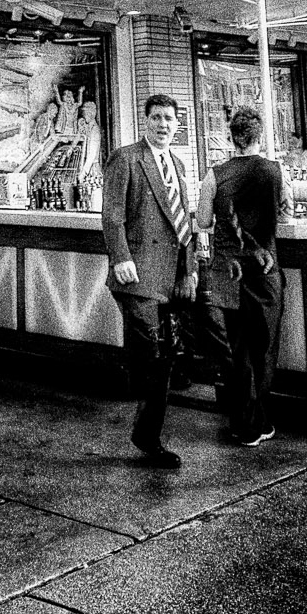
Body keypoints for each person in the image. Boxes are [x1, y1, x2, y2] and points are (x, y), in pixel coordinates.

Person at [102, 93, 198, 468]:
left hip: (171, 277)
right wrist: (121, 257)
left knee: (167, 356)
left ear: (177, 124)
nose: (163, 125)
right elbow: (112, 215)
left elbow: (183, 222)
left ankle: (147, 430)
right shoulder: (126, 158)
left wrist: (189, 269)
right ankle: (149, 438)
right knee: (155, 358)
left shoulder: (176, 162)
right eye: (156, 118)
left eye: (169, 119)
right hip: (138, 275)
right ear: (145, 121)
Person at [195, 107, 289, 447]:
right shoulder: (277, 171)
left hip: (228, 272)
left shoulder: (214, 175)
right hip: (264, 270)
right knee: (264, 346)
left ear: (232, 138)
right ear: (259, 136)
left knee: (236, 347)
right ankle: (257, 420)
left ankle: (244, 422)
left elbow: (203, 221)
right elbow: (285, 211)